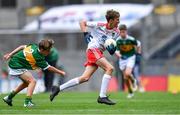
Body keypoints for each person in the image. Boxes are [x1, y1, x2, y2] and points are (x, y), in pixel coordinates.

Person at [50, 9, 120, 105]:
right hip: (93, 50)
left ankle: (58, 88)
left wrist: (112, 49)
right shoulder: (99, 25)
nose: (118, 21)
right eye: (117, 19)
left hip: (99, 52)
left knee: (85, 78)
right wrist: (85, 33)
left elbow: (109, 45)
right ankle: (102, 96)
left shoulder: (117, 32)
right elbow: (82, 22)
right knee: (110, 68)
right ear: (111, 20)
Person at [2, 39, 65, 107]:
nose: (49, 52)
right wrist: (60, 72)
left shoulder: (33, 46)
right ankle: (27, 102)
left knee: (26, 83)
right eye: (48, 51)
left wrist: (10, 54)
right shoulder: (38, 57)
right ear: (42, 50)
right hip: (16, 65)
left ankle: (8, 98)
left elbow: (22, 47)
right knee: (33, 81)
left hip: (15, 62)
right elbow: (49, 68)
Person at [115, 24, 139, 99]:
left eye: (124, 32)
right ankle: (130, 92)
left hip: (130, 57)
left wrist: (138, 53)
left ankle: (133, 80)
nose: (123, 33)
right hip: (122, 59)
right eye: (121, 32)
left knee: (128, 73)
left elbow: (138, 44)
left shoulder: (131, 39)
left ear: (126, 31)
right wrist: (120, 56)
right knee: (125, 78)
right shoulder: (118, 40)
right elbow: (116, 51)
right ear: (119, 32)